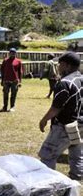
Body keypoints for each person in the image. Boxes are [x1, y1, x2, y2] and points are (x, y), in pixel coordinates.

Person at [38, 52, 82, 180]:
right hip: (80, 124)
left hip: (65, 126)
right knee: (76, 152)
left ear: (66, 65)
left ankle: (46, 181)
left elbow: (56, 108)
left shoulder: (64, 83)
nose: (58, 67)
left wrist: (43, 120)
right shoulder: (80, 78)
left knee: (47, 155)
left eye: (60, 64)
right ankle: (77, 176)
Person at [0, 48, 23, 112]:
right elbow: (2, 71)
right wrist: (2, 80)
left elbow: (20, 72)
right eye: (11, 53)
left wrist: (20, 81)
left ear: (15, 53)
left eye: (14, 53)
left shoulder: (18, 61)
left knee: (13, 94)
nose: (12, 54)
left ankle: (12, 107)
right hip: (6, 80)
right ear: (9, 53)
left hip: (15, 81)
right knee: (5, 94)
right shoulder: (5, 61)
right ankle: (5, 107)